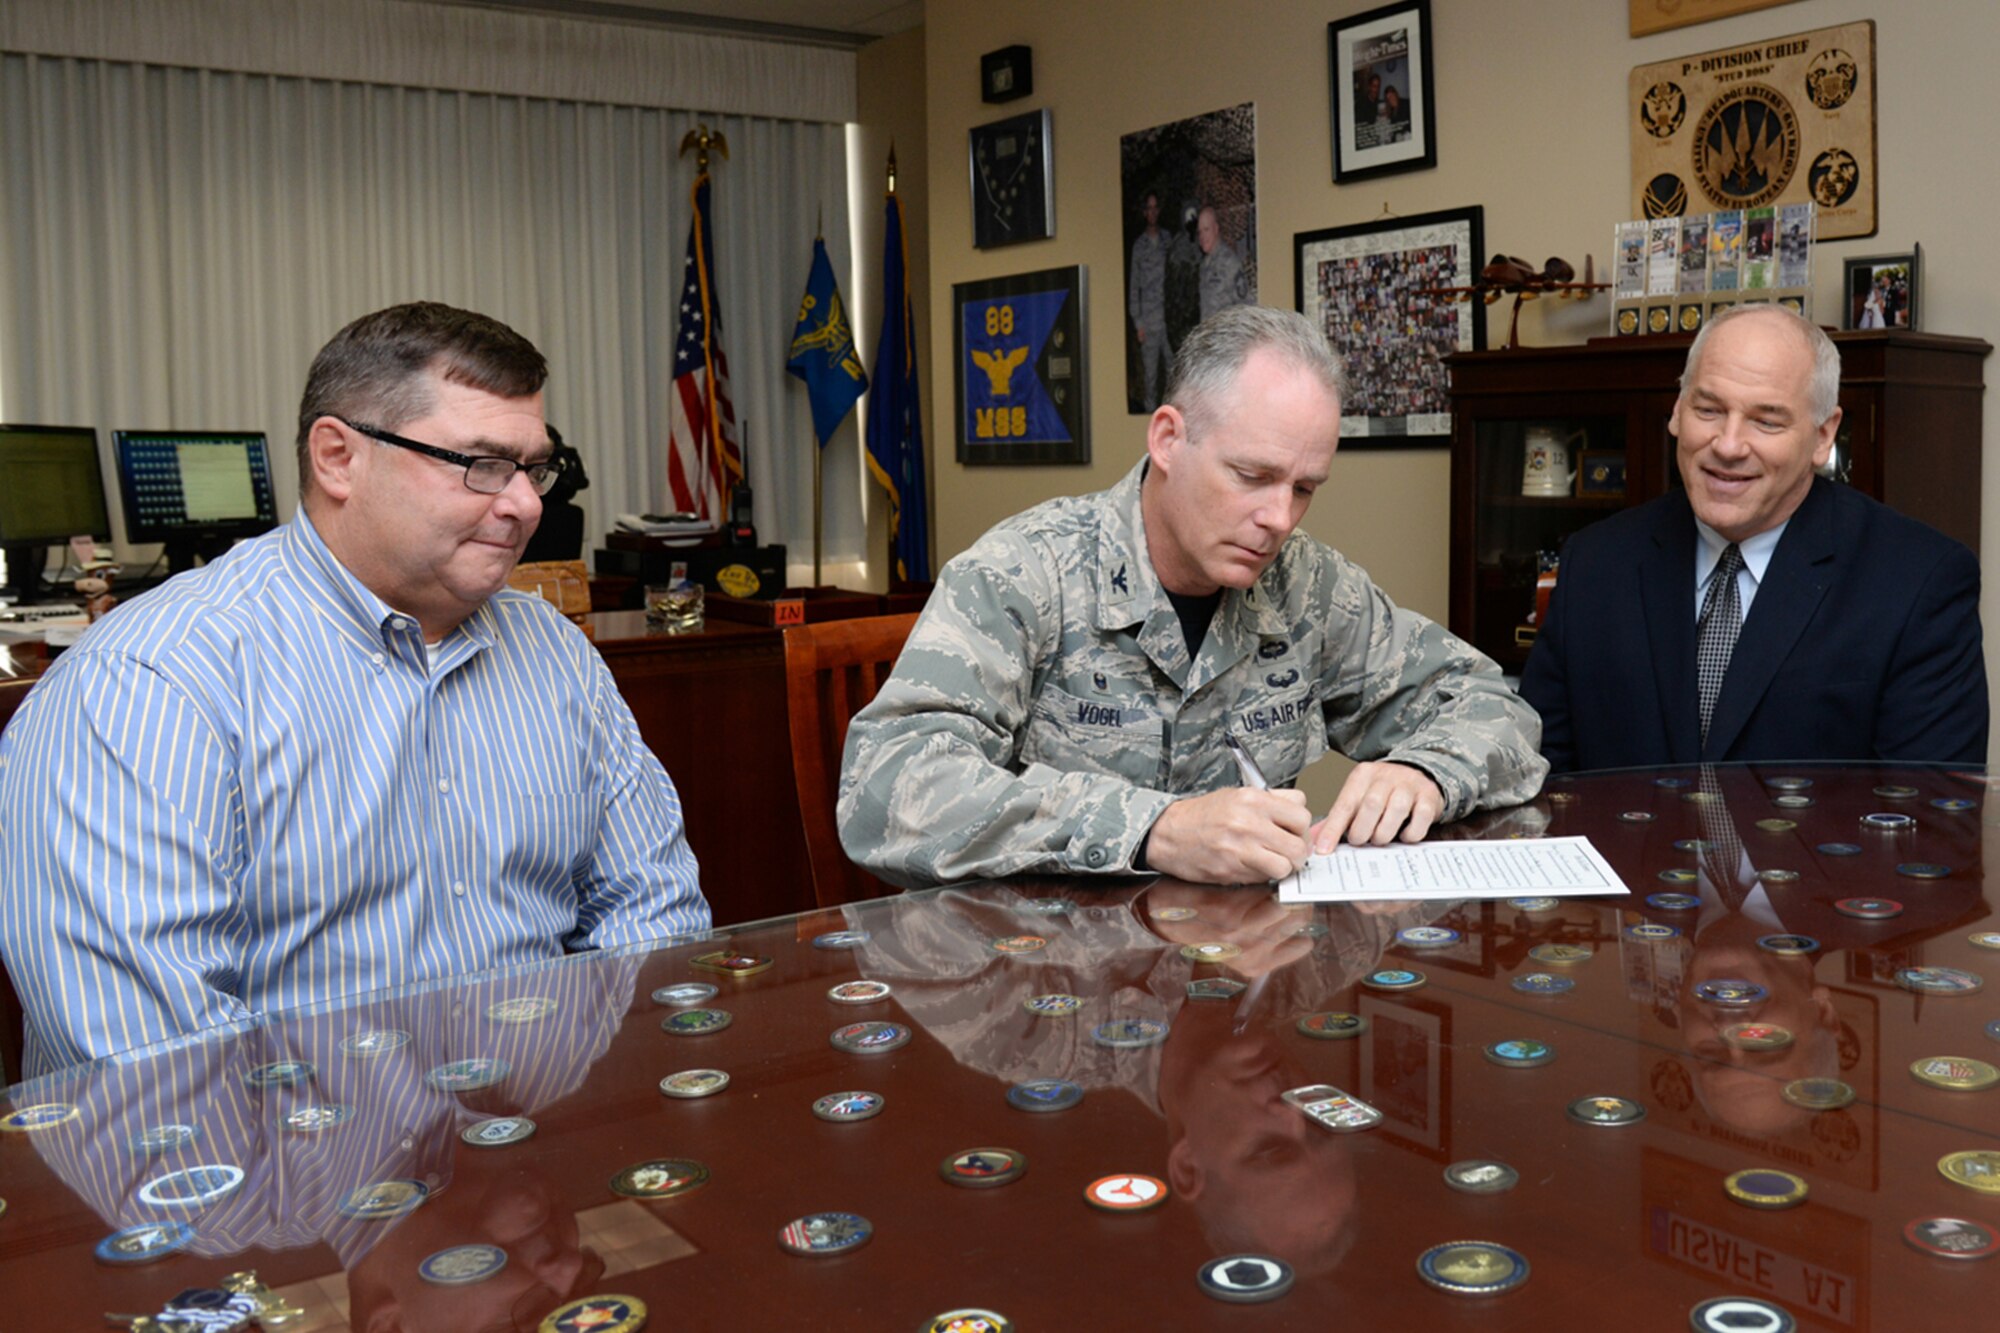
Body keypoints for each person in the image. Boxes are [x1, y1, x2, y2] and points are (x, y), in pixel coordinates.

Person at [0, 301, 709, 1075]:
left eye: (533, 467)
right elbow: (154, 1064)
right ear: (338, 457)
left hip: (537, 1144)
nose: (526, 504)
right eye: (480, 464)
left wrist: (590, 1116)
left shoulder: (553, 653)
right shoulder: (147, 684)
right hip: (282, 1175)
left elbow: (653, 919)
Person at [839, 304, 1546, 889]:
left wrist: (1425, 770)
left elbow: (1495, 707)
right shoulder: (1024, 572)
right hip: (1049, 992)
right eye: (1252, 475)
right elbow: (888, 785)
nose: (1279, 518)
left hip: (1237, 986)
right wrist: (1152, 827)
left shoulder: (1308, 585)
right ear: (1170, 438)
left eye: (1303, 488)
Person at [1520, 303, 1986, 772]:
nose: (1727, 445)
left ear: (1823, 436)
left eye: (1766, 421)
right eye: (1708, 409)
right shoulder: (1596, 563)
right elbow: (1535, 772)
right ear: (1678, 411)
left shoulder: (1919, 581)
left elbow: (1928, 818)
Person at [1128, 192, 1174, 411]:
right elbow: (1134, 286)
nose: (1153, 212)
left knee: (1175, 373)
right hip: (1149, 321)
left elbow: (1176, 277)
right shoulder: (1139, 246)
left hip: (1169, 320)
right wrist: (1138, 323)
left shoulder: (1168, 240)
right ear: (1145, 212)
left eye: (1156, 208)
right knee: (1150, 379)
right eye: (1149, 208)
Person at [1195, 206, 1251, 321]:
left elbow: (1246, 305)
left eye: (1206, 229)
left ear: (1216, 229)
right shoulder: (1204, 265)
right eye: (1199, 232)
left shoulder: (1229, 262)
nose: (1202, 236)